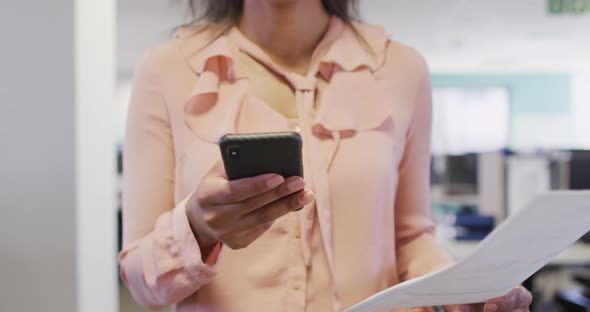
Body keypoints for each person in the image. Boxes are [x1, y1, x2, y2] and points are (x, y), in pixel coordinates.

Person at [119, 0, 533, 311]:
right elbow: (140, 281)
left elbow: (410, 239)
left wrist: (462, 292)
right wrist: (199, 229)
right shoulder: (167, 69)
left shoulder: (402, 70)